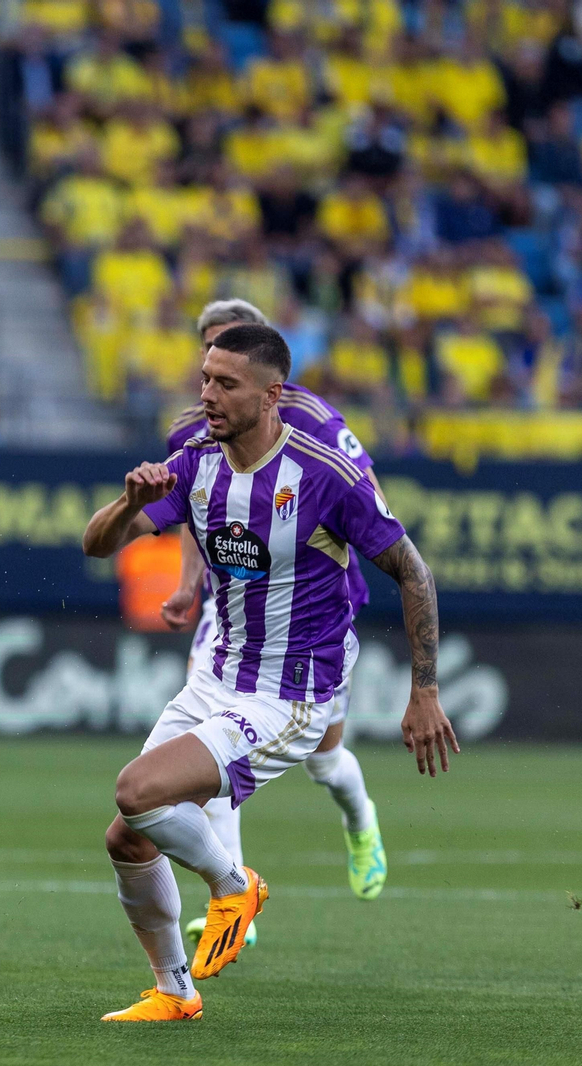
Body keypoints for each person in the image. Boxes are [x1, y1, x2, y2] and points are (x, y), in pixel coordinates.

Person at [83, 323, 456, 1022]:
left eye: (226, 384)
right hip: (219, 676)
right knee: (127, 836)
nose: (208, 396)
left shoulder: (325, 476)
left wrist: (424, 691)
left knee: (136, 790)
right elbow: (96, 544)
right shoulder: (196, 461)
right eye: (204, 379)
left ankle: (235, 883)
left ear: (271, 394)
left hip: (290, 694)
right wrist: (132, 502)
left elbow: (413, 571)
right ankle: (174, 992)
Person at [163, 300, 389, 940]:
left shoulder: (317, 423)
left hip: (314, 611)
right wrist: (187, 585)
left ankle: (360, 819)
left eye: (228, 372)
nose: (211, 386)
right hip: (230, 603)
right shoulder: (191, 431)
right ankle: (230, 889)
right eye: (207, 366)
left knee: (325, 757)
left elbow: (370, 508)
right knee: (208, 741)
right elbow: (193, 509)